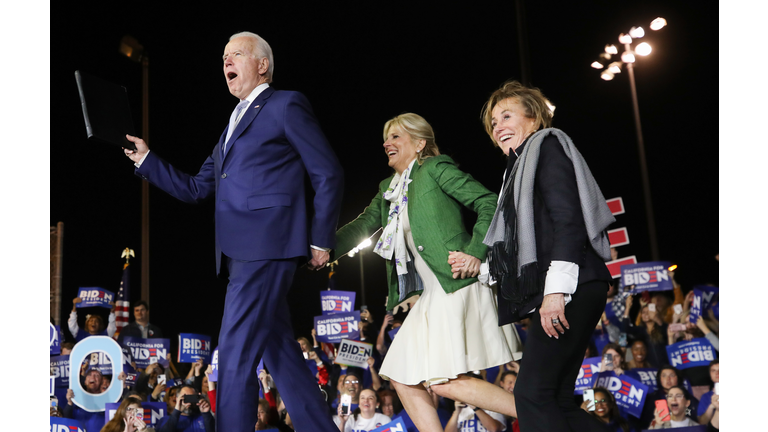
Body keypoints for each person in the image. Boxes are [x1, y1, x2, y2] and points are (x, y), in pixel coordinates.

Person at [122, 31, 343, 432]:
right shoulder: (233, 124)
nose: (227, 61)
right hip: (239, 252)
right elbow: (196, 188)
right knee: (283, 359)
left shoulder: (285, 104)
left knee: (236, 354)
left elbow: (327, 172)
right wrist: (147, 159)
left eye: (236, 53)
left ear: (262, 65)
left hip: (267, 246)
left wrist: (320, 239)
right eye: (224, 56)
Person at [334, 113, 521, 432]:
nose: (386, 143)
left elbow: (488, 202)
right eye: (386, 137)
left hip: (454, 284)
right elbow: (364, 226)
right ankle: (543, 413)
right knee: (401, 375)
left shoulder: (434, 169)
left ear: (420, 143)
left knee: (445, 383)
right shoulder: (388, 188)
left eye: (396, 137)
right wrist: (315, 248)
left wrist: (475, 252)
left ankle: (543, 414)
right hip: (428, 297)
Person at [481, 80, 615, 432]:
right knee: (552, 398)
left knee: (532, 394)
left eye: (506, 115)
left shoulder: (548, 146)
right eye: (493, 123)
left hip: (573, 283)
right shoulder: (517, 170)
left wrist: (556, 291)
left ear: (534, 118)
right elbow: (526, 240)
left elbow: (567, 221)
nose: (498, 127)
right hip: (578, 284)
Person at [697, 360, 719, 426]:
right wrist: (712, 406)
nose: (717, 373)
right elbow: (703, 422)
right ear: (710, 374)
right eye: (713, 370)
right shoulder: (706, 397)